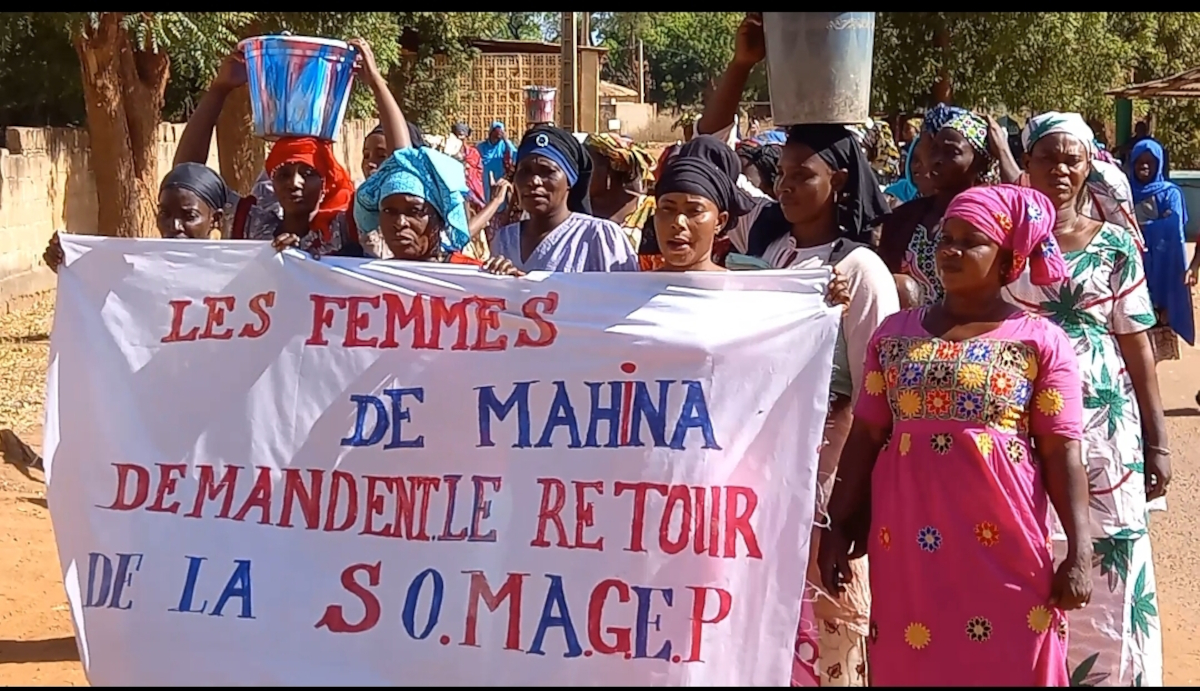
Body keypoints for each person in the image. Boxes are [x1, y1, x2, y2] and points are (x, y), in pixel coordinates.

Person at [820, 184, 1092, 686]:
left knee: (1014, 658)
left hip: (1005, 540)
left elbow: (1061, 451)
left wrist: (1079, 549)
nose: (951, 251)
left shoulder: (1040, 340)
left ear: (1008, 257)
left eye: (972, 242)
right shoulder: (894, 334)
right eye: (947, 238)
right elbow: (866, 437)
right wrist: (839, 524)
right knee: (913, 661)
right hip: (907, 539)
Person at [722, 123, 898, 687]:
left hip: (823, 476)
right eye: (780, 175)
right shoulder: (773, 249)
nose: (786, 187)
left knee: (826, 630)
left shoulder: (860, 271)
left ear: (839, 180)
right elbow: (711, 147)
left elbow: (877, 391)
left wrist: (843, 504)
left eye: (803, 176)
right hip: (761, 468)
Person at [1005, 113, 1168, 687]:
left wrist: (1159, 440)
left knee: (1112, 554)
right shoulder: (1006, 246)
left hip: (1105, 427)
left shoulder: (1116, 244)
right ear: (1027, 164)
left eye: (1073, 158)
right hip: (1022, 425)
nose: (1061, 169)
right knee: (1036, 550)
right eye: (1049, 157)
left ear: (1089, 165)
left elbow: (1137, 343)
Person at [878, 104, 996, 306]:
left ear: (980, 163)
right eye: (934, 150)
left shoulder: (994, 220)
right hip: (910, 332)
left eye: (952, 152)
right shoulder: (903, 218)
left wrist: (1001, 148)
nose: (937, 160)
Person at [488, 125, 639, 273]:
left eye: (547, 171)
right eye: (525, 171)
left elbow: (624, 295)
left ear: (570, 180)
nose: (534, 181)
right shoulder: (504, 240)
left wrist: (532, 288)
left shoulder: (599, 237)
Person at [352, 146, 516, 275]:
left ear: (440, 219)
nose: (400, 223)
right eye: (389, 211)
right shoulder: (371, 280)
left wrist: (510, 284)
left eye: (415, 211)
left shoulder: (470, 274)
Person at [42, 163, 234, 271]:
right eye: (165, 214)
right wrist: (68, 266)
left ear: (215, 219)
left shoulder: (233, 274)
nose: (174, 226)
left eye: (189, 216)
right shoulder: (137, 270)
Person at [1130, 139, 1195, 359]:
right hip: (1134, 265)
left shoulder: (1170, 193)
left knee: (1158, 327)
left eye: (1150, 163)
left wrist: (1141, 228)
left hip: (1163, 267)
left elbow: (1173, 230)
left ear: (1159, 165)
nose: (1144, 167)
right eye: (1139, 162)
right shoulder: (1125, 191)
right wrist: (1155, 224)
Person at [651, 154, 742, 272]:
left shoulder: (735, 289)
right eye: (667, 208)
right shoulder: (631, 288)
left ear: (720, 221)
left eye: (694, 211)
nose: (678, 222)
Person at [583, 133, 657, 251]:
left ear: (610, 170)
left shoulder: (652, 212)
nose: (581, 172)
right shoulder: (576, 210)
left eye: (587, 165)